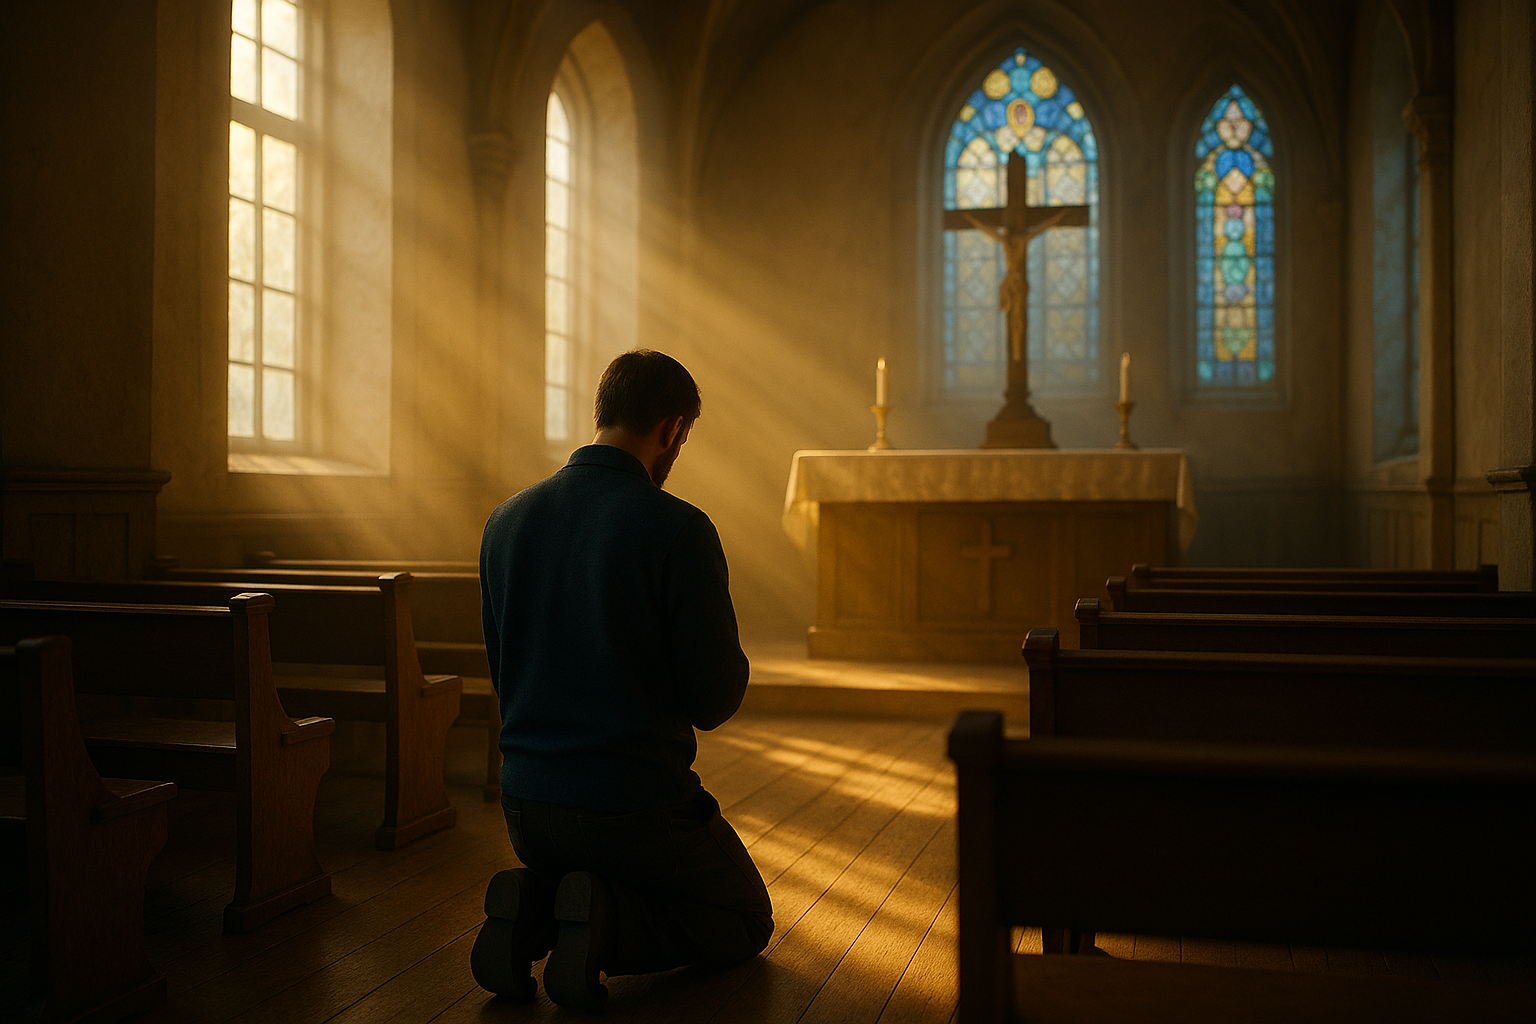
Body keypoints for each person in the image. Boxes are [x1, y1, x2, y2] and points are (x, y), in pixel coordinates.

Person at [472, 349, 773, 1010]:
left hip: (526, 808)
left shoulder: (505, 522)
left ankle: (534, 907)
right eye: (682, 438)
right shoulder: (678, 529)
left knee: (589, 866)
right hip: (632, 808)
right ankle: (605, 926)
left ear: (600, 414)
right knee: (746, 918)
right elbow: (713, 699)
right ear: (673, 430)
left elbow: (505, 673)